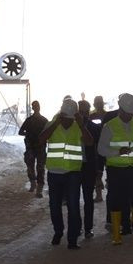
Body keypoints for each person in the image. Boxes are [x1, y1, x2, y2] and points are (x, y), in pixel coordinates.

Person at [97, 93, 133, 245]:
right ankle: (117, 232)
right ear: (120, 109)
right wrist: (117, 152)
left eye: (132, 113)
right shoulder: (110, 126)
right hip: (116, 169)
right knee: (117, 199)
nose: (130, 115)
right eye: (128, 112)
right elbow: (101, 149)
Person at [39, 100, 94, 249]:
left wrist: (81, 124)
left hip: (73, 173)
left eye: (70, 118)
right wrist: (55, 124)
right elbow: (41, 139)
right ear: (61, 114)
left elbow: (89, 142)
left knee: (73, 206)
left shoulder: (78, 127)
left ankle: (72, 239)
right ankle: (58, 231)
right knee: (54, 206)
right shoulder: (53, 125)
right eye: (65, 118)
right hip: (54, 172)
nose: (68, 121)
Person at [77, 99, 101, 239]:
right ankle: (77, 227)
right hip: (74, 167)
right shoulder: (70, 127)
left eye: (86, 111)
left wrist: (99, 170)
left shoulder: (94, 128)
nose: (84, 114)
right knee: (73, 200)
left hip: (89, 167)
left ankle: (88, 228)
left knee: (88, 199)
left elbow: (97, 150)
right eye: (81, 111)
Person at [18, 101, 49, 197]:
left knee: (40, 168)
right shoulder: (29, 120)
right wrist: (29, 134)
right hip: (31, 147)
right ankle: (33, 183)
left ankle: (39, 188)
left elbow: (48, 133)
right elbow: (20, 131)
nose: (36, 108)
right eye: (34, 106)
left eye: (37, 106)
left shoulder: (44, 120)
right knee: (31, 167)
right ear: (33, 108)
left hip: (40, 147)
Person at [90, 95, 108, 201]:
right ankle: (99, 195)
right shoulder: (91, 117)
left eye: (100, 103)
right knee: (97, 171)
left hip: (106, 146)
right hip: (96, 147)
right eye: (97, 103)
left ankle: (109, 190)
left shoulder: (108, 116)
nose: (99, 105)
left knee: (109, 169)